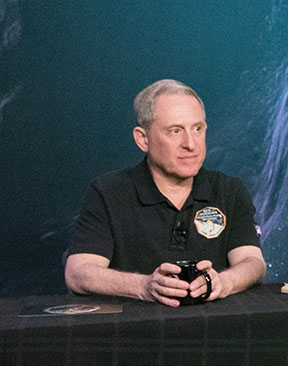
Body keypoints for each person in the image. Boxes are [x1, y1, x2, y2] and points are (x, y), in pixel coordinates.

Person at [64, 79, 266, 306]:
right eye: (175, 131)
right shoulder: (109, 192)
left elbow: (253, 262)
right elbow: (78, 274)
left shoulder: (229, 190)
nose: (191, 144)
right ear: (143, 139)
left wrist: (224, 281)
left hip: (214, 332)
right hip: (135, 334)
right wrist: (143, 286)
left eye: (197, 128)